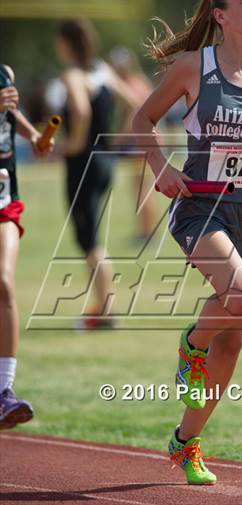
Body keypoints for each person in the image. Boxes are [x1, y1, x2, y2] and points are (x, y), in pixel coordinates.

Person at [133, 0, 242, 485]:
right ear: (221, 15)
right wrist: (161, 169)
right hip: (202, 205)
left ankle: (186, 443)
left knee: (235, 341)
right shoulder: (191, 68)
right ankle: (190, 346)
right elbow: (142, 121)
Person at [54, 20, 138, 329]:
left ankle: (106, 311)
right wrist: (115, 141)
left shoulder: (73, 75)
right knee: (91, 235)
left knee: (89, 239)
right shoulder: (103, 71)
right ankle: (102, 306)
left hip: (84, 162)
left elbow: (81, 109)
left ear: (66, 43)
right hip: (105, 161)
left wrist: (72, 142)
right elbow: (134, 104)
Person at [0, 64, 53, 429]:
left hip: (4, 202)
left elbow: (10, 112)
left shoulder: (4, 72)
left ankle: (3, 393)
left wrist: (34, 136)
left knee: (3, 283)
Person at [108, 46, 156, 243]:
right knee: (141, 188)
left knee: (141, 189)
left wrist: (119, 137)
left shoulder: (131, 84)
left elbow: (135, 112)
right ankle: (145, 232)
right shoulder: (140, 80)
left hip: (140, 142)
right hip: (144, 141)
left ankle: (147, 233)